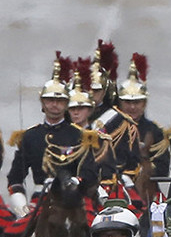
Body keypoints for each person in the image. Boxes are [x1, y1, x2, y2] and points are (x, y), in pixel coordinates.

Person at [6, 55, 101, 219]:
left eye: (59, 100)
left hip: (72, 200)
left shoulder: (80, 135)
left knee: (94, 236)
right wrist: (21, 207)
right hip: (39, 202)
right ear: (42, 102)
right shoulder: (30, 136)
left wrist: (74, 183)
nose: (54, 104)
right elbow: (15, 178)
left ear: (66, 104)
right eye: (49, 100)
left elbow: (90, 173)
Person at [117, 54, 171, 178]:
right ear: (119, 103)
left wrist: (145, 167)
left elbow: (162, 168)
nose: (132, 107)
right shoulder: (110, 129)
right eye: (128, 103)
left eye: (137, 102)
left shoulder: (155, 131)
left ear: (144, 103)